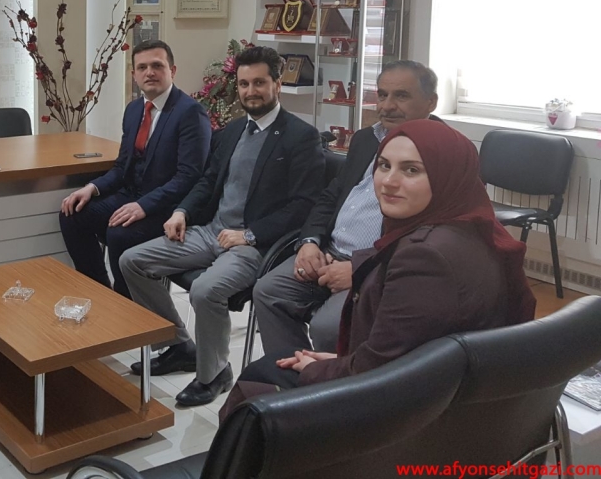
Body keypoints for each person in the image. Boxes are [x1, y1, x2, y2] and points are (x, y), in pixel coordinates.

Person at [220, 120, 537, 420]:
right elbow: (402, 351)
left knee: (259, 381)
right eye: (384, 165)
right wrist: (341, 361)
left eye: (411, 170)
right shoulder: (469, 229)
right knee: (276, 360)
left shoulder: (426, 257)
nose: (388, 182)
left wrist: (321, 370)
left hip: (408, 416)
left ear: (447, 175)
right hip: (436, 386)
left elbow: (378, 374)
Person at [120, 46, 324, 407]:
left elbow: (303, 205)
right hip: (211, 231)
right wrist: (182, 212)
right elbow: (207, 180)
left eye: (259, 83)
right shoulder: (232, 131)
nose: (250, 91)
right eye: (244, 84)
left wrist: (249, 235)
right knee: (132, 260)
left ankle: (213, 374)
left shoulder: (301, 136)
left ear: (277, 84)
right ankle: (178, 345)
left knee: (204, 290)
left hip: (253, 244)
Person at [252, 61, 440, 356]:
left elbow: (429, 233)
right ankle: (296, 377)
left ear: (431, 102)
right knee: (268, 292)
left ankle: (337, 381)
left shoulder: (443, 152)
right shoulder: (366, 139)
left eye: (401, 96)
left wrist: (360, 269)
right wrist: (309, 242)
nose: (387, 106)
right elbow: (331, 196)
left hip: (377, 266)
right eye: (382, 95)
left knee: (328, 327)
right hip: (329, 252)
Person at [60, 40, 211, 298]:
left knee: (119, 234)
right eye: (142, 67)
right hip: (132, 195)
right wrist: (92, 188)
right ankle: (100, 292)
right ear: (134, 75)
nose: (149, 72)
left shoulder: (190, 113)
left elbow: (189, 177)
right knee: (72, 214)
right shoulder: (133, 110)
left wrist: (143, 206)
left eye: (157, 66)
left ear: (172, 71)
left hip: (167, 207)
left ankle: (126, 305)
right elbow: (122, 167)